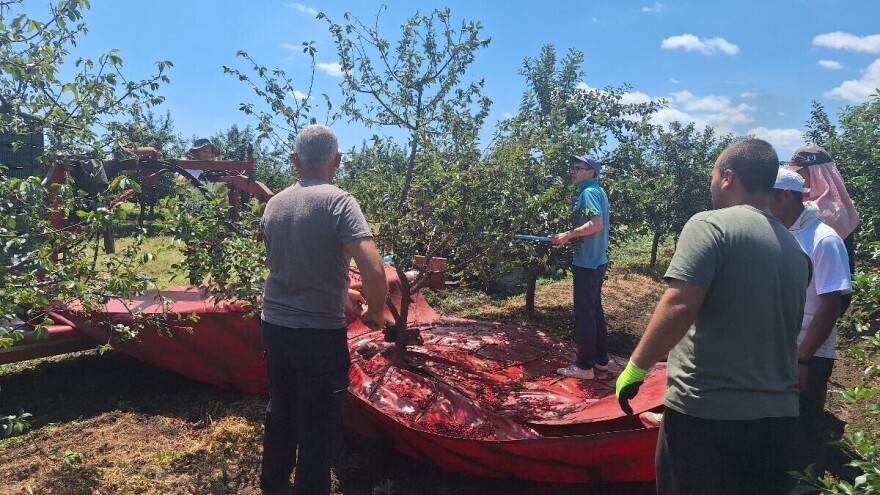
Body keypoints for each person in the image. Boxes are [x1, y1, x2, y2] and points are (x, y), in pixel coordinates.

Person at [615, 139, 812, 495]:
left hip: (707, 416)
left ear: (727, 177)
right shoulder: (794, 250)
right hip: (778, 419)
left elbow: (680, 305)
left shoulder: (710, 226)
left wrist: (636, 368)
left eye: (713, 175)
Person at [259, 125, 388, 495]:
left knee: (281, 410)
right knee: (319, 424)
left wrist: (342, 293)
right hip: (317, 334)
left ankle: (273, 487)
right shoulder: (339, 201)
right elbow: (374, 268)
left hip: (275, 327)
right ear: (338, 159)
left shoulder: (274, 203)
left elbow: (294, 265)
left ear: (295, 160)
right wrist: (376, 310)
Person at [769, 167, 852, 473]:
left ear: (786, 196)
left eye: (767, 198)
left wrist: (803, 359)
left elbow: (831, 306)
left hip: (810, 353)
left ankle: (807, 478)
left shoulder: (823, 240)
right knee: (780, 420)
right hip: (782, 347)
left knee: (804, 421)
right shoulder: (782, 233)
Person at [552, 154, 610, 380]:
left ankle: (584, 367)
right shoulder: (598, 191)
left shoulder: (588, 193)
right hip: (598, 261)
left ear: (590, 172)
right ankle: (601, 360)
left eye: (578, 167)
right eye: (573, 167)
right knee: (595, 311)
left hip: (587, 263)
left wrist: (568, 235)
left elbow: (596, 224)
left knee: (585, 315)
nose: (573, 171)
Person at [789, 144, 859, 314]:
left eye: (799, 172)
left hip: (819, 305)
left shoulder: (830, 211)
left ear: (816, 172)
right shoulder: (805, 205)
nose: (795, 177)